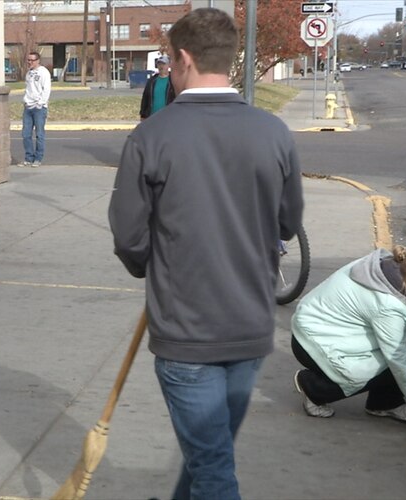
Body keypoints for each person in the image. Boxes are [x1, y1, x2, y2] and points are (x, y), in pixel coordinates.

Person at [108, 8, 304, 499]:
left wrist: (155, 268)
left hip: (187, 330)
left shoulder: (151, 136)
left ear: (183, 59)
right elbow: (287, 222)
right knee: (210, 450)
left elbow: (129, 237)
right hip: (250, 326)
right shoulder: (274, 133)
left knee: (212, 463)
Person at [291, 245, 406, 446]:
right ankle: (314, 388)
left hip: (316, 325)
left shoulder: (387, 266)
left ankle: (385, 402)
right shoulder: (388, 306)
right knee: (392, 362)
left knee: (402, 338)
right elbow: (401, 365)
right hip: (312, 342)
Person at [21, 51, 51, 168]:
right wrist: (25, 101)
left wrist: (40, 103)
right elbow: (28, 89)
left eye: (32, 60)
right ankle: (29, 158)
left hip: (39, 108)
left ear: (38, 61)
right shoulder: (29, 73)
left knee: (39, 134)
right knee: (26, 134)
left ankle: (38, 158)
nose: (30, 62)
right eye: (28, 60)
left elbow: (46, 89)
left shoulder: (43, 72)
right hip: (28, 107)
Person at [139, 55, 176, 119]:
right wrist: (143, 114)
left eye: (163, 64)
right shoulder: (152, 81)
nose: (161, 66)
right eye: (159, 64)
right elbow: (145, 98)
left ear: (168, 65)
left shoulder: (173, 81)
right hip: (152, 116)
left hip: (168, 117)